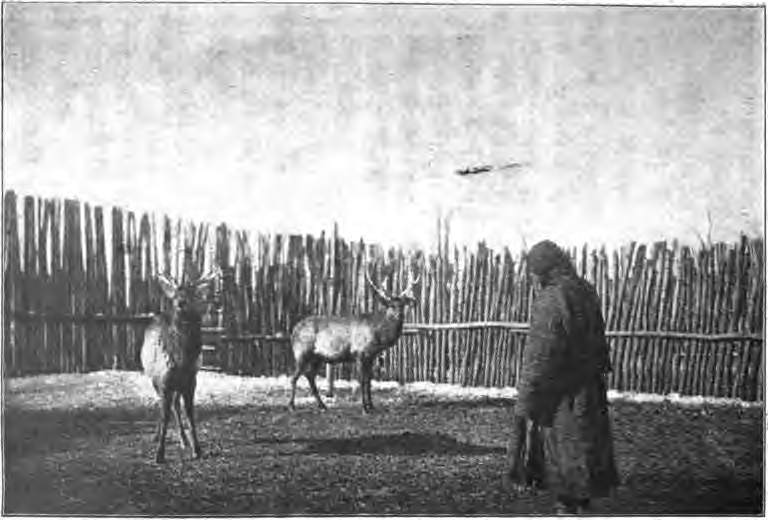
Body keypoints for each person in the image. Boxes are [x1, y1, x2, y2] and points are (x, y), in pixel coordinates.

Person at [504, 240, 619, 514]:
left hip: (562, 393)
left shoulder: (551, 298)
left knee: (566, 453)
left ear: (542, 270)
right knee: (585, 449)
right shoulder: (585, 290)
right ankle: (580, 501)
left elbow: (542, 353)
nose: (532, 279)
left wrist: (528, 397)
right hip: (590, 387)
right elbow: (599, 344)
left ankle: (568, 506)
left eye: (533, 273)